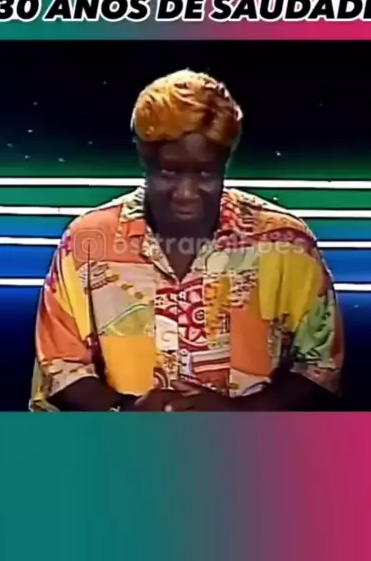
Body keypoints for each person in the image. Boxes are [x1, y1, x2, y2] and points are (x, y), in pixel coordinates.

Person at [30, 70, 344, 412]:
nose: (186, 194)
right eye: (169, 171)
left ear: (225, 163)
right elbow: (60, 368)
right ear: (143, 157)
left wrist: (238, 415)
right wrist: (128, 412)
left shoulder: (286, 244)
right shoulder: (87, 241)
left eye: (205, 173)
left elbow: (319, 371)